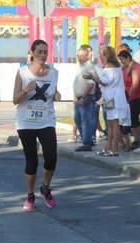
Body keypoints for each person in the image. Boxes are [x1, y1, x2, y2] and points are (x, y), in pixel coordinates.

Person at [12, 40, 61, 211]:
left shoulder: (53, 72)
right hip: (26, 122)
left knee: (51, 156)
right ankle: (30, 194)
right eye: (39, 52)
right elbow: (14, 100)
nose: (42, 55)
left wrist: (57, 94)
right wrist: (26, 90)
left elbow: (54, 92)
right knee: (31, 160)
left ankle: (45, 188)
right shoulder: (22, 73)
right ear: (31, 52)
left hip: (46, 120)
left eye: (45, 52)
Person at [85, 47, 128, 157]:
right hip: (109, 98)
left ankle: (114, 149)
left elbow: (105, 82)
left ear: (107, 55)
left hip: (114, 99)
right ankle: (108, 147)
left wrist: (94, 77)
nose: (100, 56)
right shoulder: (116, 67)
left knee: (114, 125)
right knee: (110, 124)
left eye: (101, 54)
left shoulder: (110, 67)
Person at [72, 45, 97, 152]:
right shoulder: (81, 67)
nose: (79, 57)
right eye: (78, 55)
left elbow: (91, 84)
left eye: (82, 55)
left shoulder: (89, 67)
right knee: (78, 120)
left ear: (87, 56)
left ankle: (87, 143)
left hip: (86, 98)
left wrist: (83, 97)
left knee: (85, 120)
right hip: (79, 98)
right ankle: (86, 139)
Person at [119, 50, 140, 149]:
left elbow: (135, 84)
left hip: (136, 97)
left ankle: (139, 139)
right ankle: (137, 139)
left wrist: (129, 96)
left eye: (122, 60)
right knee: (132, 120)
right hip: (127, 96)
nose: (122, 62)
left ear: (128, 58)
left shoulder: (135, 68)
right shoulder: (124, 68)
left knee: (134, 119)